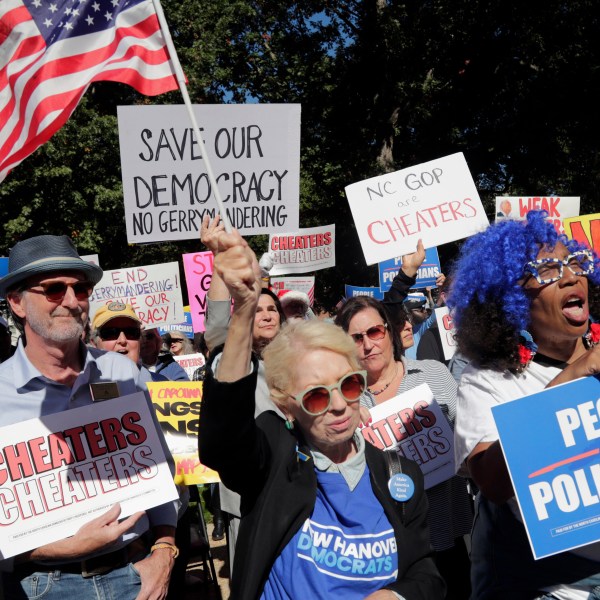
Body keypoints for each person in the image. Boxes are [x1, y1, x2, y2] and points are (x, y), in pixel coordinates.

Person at [199, 229, 445, 600]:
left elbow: (425, 573)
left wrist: (396, 595)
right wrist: (245, 307)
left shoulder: (399, 474)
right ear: (286, 404)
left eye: (347, 385)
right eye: (315, 396)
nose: (337, 404)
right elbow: (223, 441)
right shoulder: (274, 460)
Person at [0, 234, 180, 600]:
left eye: (80, 289)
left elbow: (161, 471)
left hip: (135, 569)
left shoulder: (122, 372)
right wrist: (54, 550)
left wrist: (163, 552)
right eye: (53, 289)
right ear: (17, 302)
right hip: (40, 585)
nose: (71, 301)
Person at [447, 209, 600, 598]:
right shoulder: (488, 382)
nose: (570, 276)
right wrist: (571, 381)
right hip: (550, 585)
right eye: (546, 270)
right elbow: (493, 482)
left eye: (575, 262)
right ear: (511, 299)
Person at [335, 296, 473, 600]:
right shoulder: (341, 398)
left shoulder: (433, 374)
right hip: (385, 550)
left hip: (446, 534)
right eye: (356, 338)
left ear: (389, 331)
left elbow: (469, 439)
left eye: (375, 332)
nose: (368, 344)